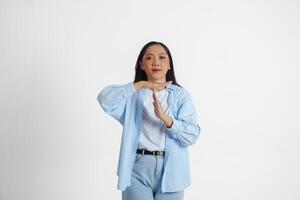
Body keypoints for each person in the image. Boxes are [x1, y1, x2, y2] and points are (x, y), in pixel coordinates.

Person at [97, 41, 201, 200]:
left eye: (161, 57)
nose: (156, 62)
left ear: (169, 65)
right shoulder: (133, 95)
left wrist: (166, 119)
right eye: (149, 58)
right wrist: (141, 85)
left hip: (172, 171)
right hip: (137, 168)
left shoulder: (181, 96)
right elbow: (105, 99)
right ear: (141, 64)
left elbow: (192, 134)